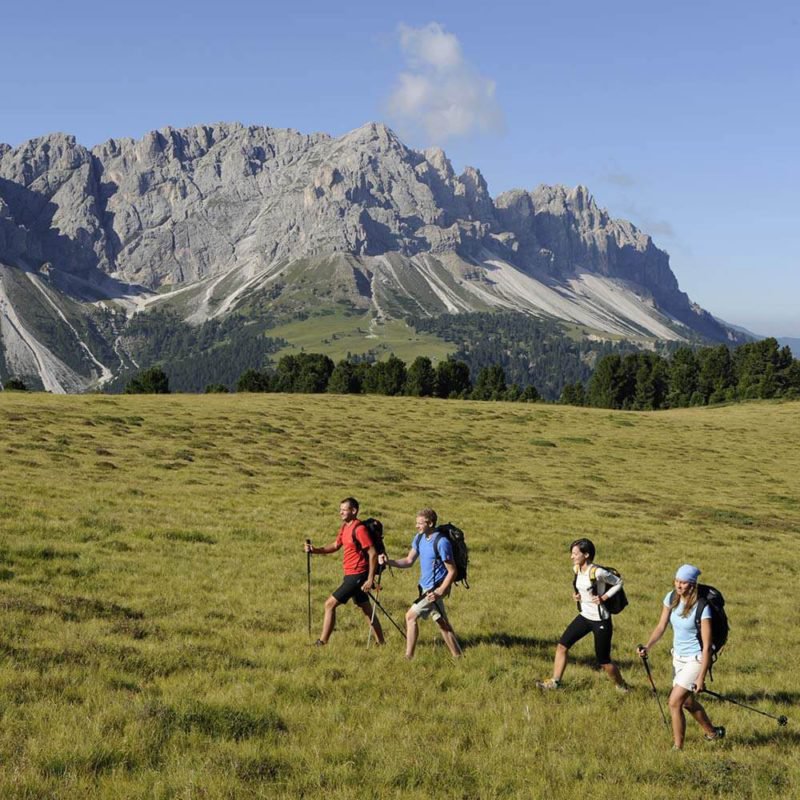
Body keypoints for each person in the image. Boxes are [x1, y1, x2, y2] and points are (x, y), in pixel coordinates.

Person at [637, 564, 726, 749]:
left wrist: (701, 678)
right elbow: (661, 626)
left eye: (683, 582)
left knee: (674, 702)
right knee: (687, 701)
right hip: (677, 657)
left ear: (692, 585)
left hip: (696, 659)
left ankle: (677, 748)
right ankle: (713, 732)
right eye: (677, 581)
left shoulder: (703, 608)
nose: (678, 585)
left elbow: (707, 646)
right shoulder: (671, 598)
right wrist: (648, 646)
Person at [536, 538, 628, 691]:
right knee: (562, 646)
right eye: (571, 553)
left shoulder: (597, 572)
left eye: (575, 554)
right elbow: (581, 587)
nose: (572, 557)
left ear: (586, 555)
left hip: (600, 620)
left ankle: (621, 686)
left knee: (604, 661)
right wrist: (577, 595)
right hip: (585, 616)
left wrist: (604, 597)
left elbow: (619, 582)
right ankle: (555, 682)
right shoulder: (577, 569)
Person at [380, 508, 462, 659]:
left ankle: (408, 656)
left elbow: (452, 571)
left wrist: (441, 590)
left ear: (430, 523)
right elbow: (408, 561)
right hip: (424, 587)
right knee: (442, 622)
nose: (416, 526)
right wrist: (388, 562)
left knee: (410, 616)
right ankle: (458, 656)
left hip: (434, 590)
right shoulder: (419, 538)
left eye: (420, 523)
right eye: (416, 522)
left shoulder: (442, 542)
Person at [303, 497, 384, 646]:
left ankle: (322, 643)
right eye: (340, 510)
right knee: (366, 608)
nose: (341, 512)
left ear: (354, 511)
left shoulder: (359, 529)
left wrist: (370, 579)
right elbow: (335, 545)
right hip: (350, 574)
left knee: (329, 604)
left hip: (358, 575)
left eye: (344, 510)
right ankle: (381, 643)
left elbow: (372, 553)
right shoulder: (345, 527)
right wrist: (315, 550)